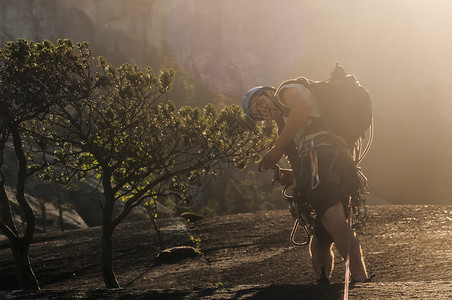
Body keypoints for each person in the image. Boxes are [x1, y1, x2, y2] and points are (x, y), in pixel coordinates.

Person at [242, 74, 370, 284]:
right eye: (258, 114)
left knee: (331, 214)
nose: (263, 112)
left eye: (261, 104)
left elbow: (304, 104)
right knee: (320, 238)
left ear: (268, 92)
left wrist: (278, 148)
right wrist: (292, 176)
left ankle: (359, 275)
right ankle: (323, 282)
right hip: (335, 160)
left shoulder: (284, 91)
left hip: (320, 154)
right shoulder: (285, 123)